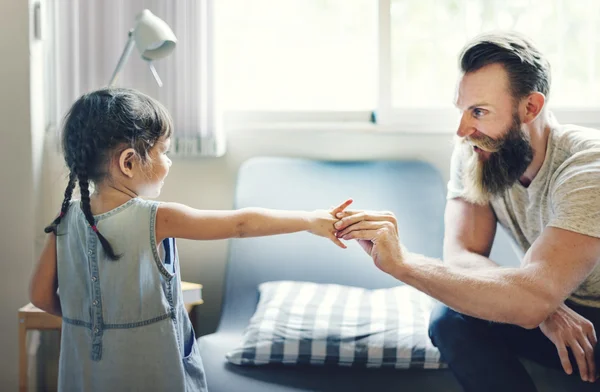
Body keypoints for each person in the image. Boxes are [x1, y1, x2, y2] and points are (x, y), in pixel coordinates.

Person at [29, 88, 352, 392]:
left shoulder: (64, 221)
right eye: (163, 152)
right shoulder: (157, 217)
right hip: (149, 368)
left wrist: (90, 320)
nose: (168, 162)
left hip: (85, 369)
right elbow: (240, 224)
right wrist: (309, 220)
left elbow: (41, 297)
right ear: (128, 162)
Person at [333, 31, 600, 391]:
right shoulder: (478, 152)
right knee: (451, 318)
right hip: (558, 302)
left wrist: (404, 263)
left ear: (531, 107)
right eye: (461, 110)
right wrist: (544, 307)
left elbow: (531, 300)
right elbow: (463, 256)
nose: (462, 131)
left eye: (479, 112)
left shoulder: (587, 166)